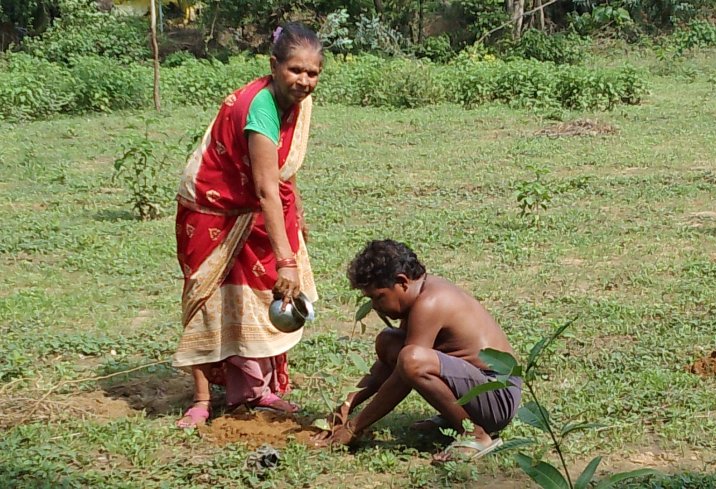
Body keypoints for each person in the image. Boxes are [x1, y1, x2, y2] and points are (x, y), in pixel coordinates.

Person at [171, 22, 322, 428]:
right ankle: (202, 400)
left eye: (312, 73)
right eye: (295, 70)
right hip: (215, 210)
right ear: (274, 66)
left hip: (261, 206)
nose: (304, 81)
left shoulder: (297, 101)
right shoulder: (261, 108)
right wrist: (286, 260)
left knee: (261, 299)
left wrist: (299, 213)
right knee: (211, 299)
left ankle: (257, 390)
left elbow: (281, 172)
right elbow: (264, 187)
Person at [315, 240, 522, 461]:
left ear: (402, 282)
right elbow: (384, 368)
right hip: (478, 387)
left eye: (378, 297)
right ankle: (454, 418)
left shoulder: (430, 303)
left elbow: (406, 372)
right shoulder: (419, 294)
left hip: (498, 397)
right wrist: (346, 404)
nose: (375, 306)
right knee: (388, 341)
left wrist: (355, 426)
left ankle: (475, 434)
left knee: (412, 359)